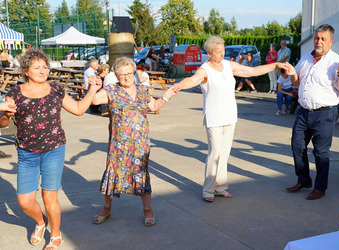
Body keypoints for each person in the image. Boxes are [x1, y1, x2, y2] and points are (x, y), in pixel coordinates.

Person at [0, 49, 100, 249]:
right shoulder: (14, 93)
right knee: (25, 202)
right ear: (26, 71)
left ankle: (55, 234)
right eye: (37, 67)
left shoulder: (56, 89)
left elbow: (79, 110)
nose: (42, 70)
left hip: (53, 149)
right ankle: (40, 222)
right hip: (27, 152)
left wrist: (91, 91)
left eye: (45, 66)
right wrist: (6, 114)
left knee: (49, 196)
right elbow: (2, 125)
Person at [173, 36, 287, 202]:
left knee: (224, 154)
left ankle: (221, 187)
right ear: (209, 52)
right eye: (218, 52)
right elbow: (192, 80)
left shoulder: (228, 65)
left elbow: (253, 71)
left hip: (229, 115)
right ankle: (208, 190)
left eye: (223, 50)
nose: (222, 54)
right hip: (213, 117)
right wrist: (179, 85)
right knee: (215, 153)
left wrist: (275, 65)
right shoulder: (204, 70)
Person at [89, 57, 178, 226]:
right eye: (122, 74)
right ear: (116, 75)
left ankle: (148, 211)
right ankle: (106, 209)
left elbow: (153, 107)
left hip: (140, 143)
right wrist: (92, 87)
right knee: (112, 173)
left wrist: (167, 95)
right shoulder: (111, 90)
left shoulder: (142, 90)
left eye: (129, 73)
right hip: (118, 144)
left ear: (134, 73)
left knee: (141, 174)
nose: (126, 77)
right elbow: (93, 100)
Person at [285, 24, 339, 200]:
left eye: (323, 38)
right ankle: (304, 179)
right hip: (304, 111)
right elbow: (297, 82)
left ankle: (320, 187)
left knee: (321, 153)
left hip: (324, 114)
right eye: (316, 38)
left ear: (331, 41)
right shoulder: (306, 58)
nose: (318, 41)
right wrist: (291, 72)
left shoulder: (336, 61)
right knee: (297, 146)